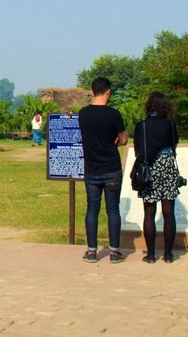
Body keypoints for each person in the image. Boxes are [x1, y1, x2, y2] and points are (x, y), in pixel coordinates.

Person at [78, 77, 128, 264]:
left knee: (92, 209)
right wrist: (116, 139)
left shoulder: (83, 114)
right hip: (111, 168)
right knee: (113, 209)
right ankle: (114, 252)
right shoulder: (114, 114)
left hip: (91, 168)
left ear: (92, 92)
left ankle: (92, 251)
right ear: (108, 92)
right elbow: (123, 139)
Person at [134, 91, 181, 263]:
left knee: (149, 211)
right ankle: (168, 255)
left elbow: (138, 149)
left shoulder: (142, 126)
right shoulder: (170, 124)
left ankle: (151, 254)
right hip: (167, 166)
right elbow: (174, 144)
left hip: (150, 169)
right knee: (169, 212)